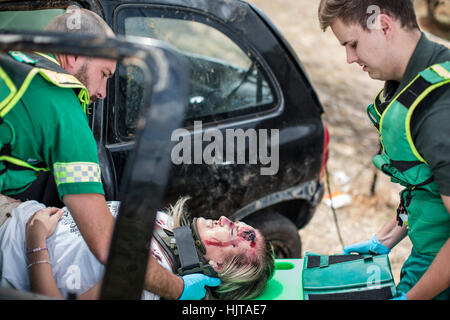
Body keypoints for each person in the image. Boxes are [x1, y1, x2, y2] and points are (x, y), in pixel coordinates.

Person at [0, 8, 218, 299]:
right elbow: (106, 245)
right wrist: (180, 290)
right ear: (73, 54)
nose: (102, 92)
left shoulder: (11, 61)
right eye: (104, 74)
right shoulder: (62, 107)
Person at [318, 0, 450, 300]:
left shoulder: (439, 111)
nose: (350, 58)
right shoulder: (417, 79)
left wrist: (413, 297)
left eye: (352, 44)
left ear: (384, 25)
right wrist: (385, 237)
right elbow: (425, 186)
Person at [0, 195, 275, 300]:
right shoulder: (166, 224)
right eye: (238, 223)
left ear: (217, 267)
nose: (227, 219)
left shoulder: (147, 286)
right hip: (13, 211)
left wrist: (36, 240)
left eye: (240, 234)